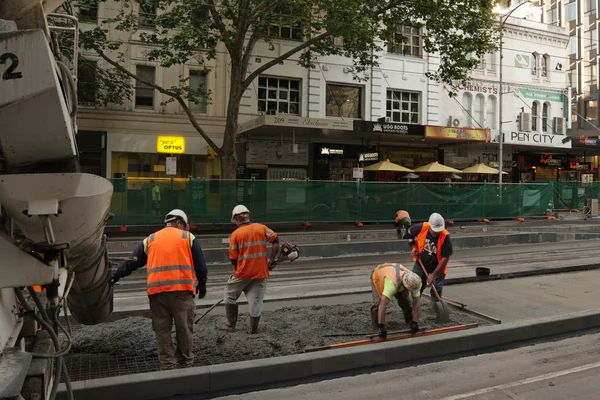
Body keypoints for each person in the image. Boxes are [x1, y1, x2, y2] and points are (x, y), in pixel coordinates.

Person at [110, 209, 207, 370]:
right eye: (185, 226)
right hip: (181, 292)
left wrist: (116, 275)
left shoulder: (150, 239)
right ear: (179, 223)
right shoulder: (187, 237)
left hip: (157, 295)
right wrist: (202, 285)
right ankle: (185, 364)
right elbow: (201, 266)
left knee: (162, 331)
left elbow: (133, 261)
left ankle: (167, 366)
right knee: (184, 328)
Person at [225, 204, 279, 334]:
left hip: (242, 274)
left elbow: (233, 259)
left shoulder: (235, 234)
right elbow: (276, 240)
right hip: (261, 274)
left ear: (237, 219)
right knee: (255, 303)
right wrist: (271, 260)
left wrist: (236, 272)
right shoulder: (261, 228)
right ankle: (252, 330)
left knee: (229, 296)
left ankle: (230, 326)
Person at [406, 212, 453, 302]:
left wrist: (433, 275)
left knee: (437, 289)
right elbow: (409, 234)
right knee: (416, 284)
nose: (436, 232)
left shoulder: (445, 237)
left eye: (438, 230)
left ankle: (435, 305)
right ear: (430, 225)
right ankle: (415, 305)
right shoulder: (421, 227)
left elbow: (445, 258)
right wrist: (413, 247)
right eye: (434, 230)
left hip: (438, 266)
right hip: (421, 262)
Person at [371, 262, 422, 339]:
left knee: (406, 303)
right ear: (406, 286)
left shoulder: (414, 281)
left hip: (395, 275)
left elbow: (416, 302)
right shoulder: (391, 285)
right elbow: (383, 304)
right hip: (378, 275)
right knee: (377, 305)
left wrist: (415, 322)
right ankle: (377, 327)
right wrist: (382, 325)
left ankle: (410, 322)